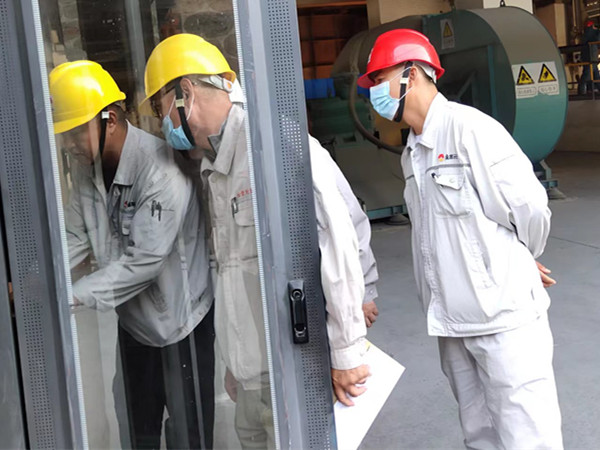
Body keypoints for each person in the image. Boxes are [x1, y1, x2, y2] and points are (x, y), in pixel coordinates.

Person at [142, 33, 374, 448]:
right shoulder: (213, 165)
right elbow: (230, 269)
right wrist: (236, 363)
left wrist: (346, 351)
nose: (163, 124)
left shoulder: (273, 146)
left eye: (161, 110)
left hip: (292, 365)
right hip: (251, 376)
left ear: (185, 93)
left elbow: (338, 240)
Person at [358, 29, 563, 449]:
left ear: (412, 74)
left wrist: (519, 257)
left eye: (379, 79)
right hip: (453, 322)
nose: (374, 91)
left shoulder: (471, 130)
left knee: (528, 439)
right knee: (479, 437)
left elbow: (530, 209)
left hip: (503, 321)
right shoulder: (413, 151)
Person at [49, 60, 215, 449]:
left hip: (181, 326)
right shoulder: (90, 171)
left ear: (109, 119)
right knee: (137, 430)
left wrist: (69, 296)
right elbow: (74, 236)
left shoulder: (159, 170)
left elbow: (145, 262)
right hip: (135, 327)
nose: (68, 145)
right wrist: (36, 280)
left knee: (189, 435)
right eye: (64, 136)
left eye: (74, 133)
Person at [579, 19, 600, 95]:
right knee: (588, 75)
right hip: (591, 57)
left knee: (594, 75)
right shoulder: (592, 33)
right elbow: (597, 40)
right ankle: (582, 91)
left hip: (589, 57)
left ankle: (584, 90)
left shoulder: (586, 34)